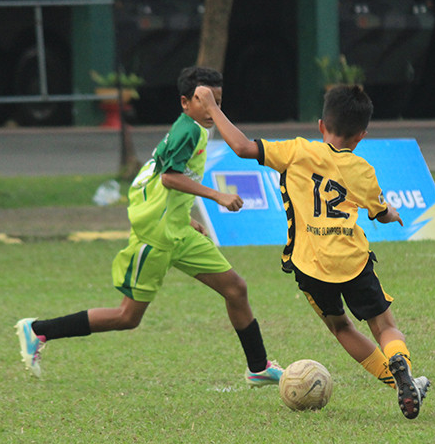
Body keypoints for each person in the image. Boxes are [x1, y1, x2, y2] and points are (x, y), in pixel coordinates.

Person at [15, 66, 282, 387]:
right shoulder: (188, 131)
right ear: (186, 102)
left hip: (177, 231)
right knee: (127, 317)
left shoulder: (194, 129)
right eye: (205, 100)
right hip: (156, 236)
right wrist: (217, 196)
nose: (213, 108)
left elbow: (160, 183)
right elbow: (169, 177)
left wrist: (186, 219)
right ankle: (38, 330)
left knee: (235, 288)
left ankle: (257, 366)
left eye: (217, 101)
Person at [197, 83, 431, 420]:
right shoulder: (363, 170)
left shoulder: (296, 151)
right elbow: (381, 211)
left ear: (321, 125)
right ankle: (402, 366)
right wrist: (392, 215)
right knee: (385, 327)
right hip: (352, 261)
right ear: (361, 136)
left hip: (309, 265)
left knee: (341, 327)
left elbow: (241, 147)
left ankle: (399, 384)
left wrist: (213, 108)